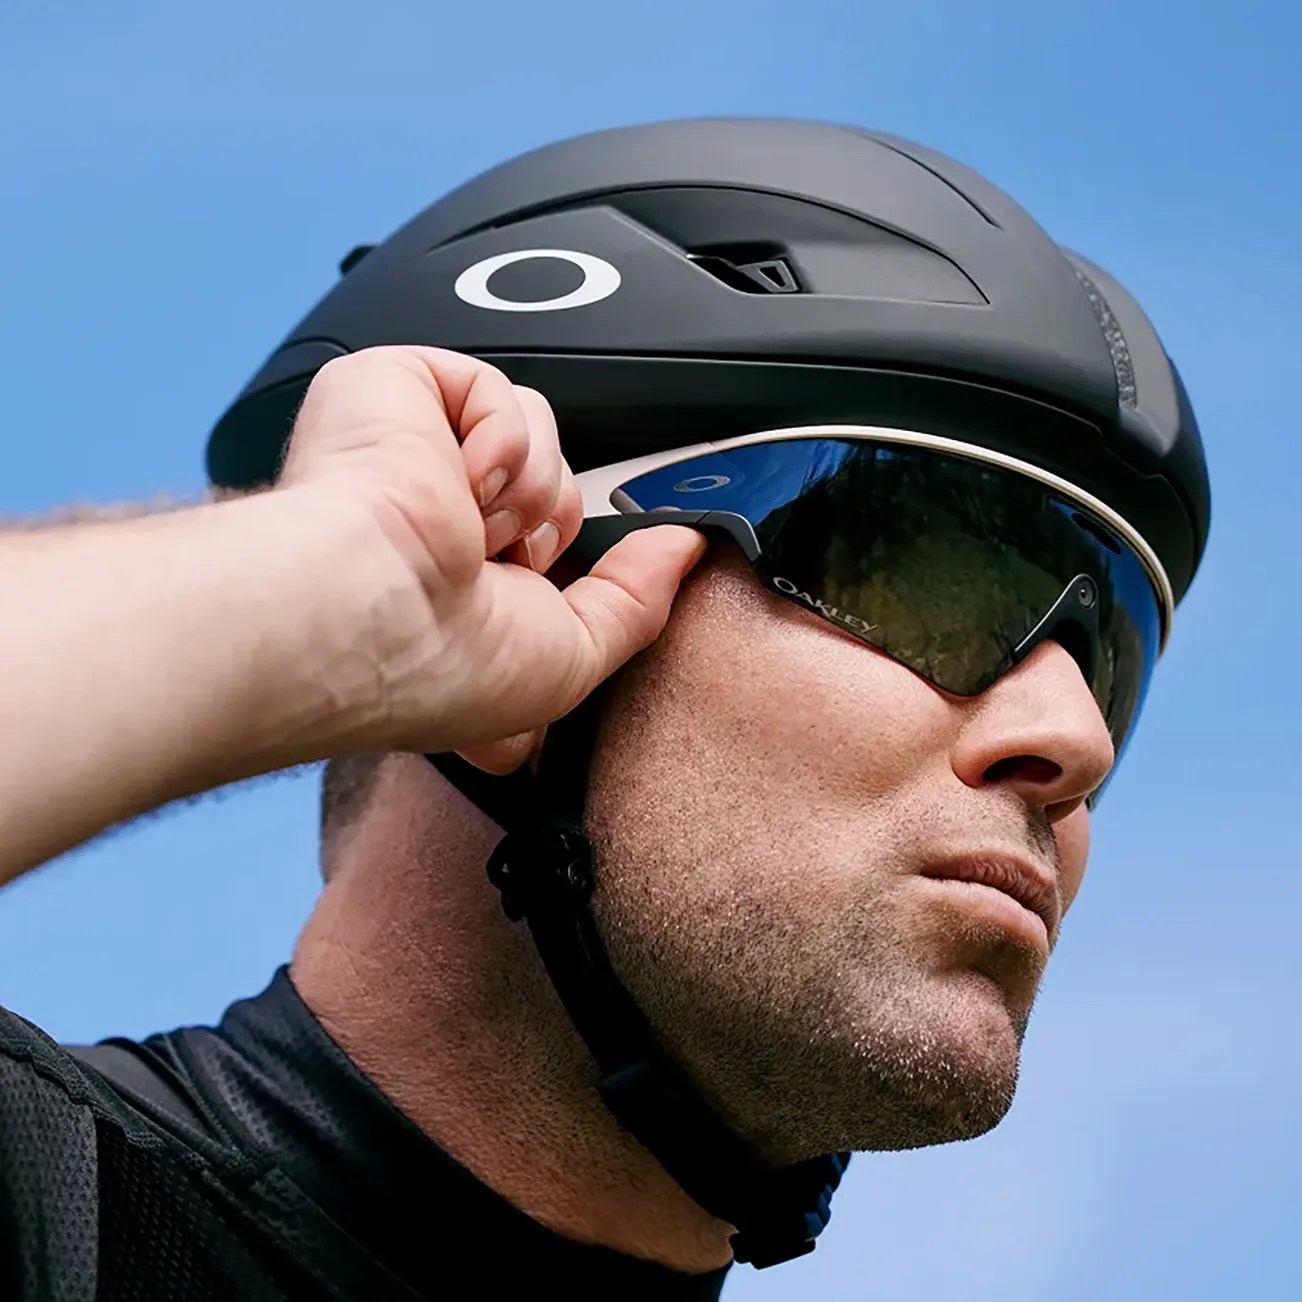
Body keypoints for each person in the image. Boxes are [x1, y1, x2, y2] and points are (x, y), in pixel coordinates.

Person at [0, 118, 1211, 1300]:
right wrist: (326, 591)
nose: (1076, 739)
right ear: (529, 576)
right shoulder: (50, 1208)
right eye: (928, 583)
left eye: (1111, 663)